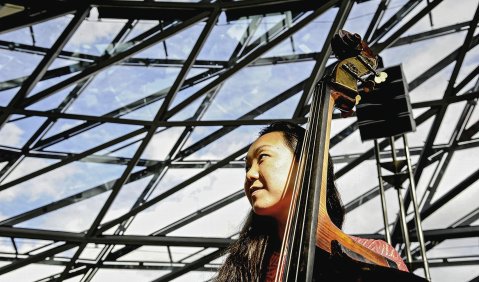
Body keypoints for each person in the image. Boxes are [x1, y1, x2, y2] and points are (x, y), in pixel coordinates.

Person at [214, 121, 408, 282]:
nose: (250, 174)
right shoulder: (242, 268)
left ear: (307, 165)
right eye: (246, 167)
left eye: (262, 158)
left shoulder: (374, 254)